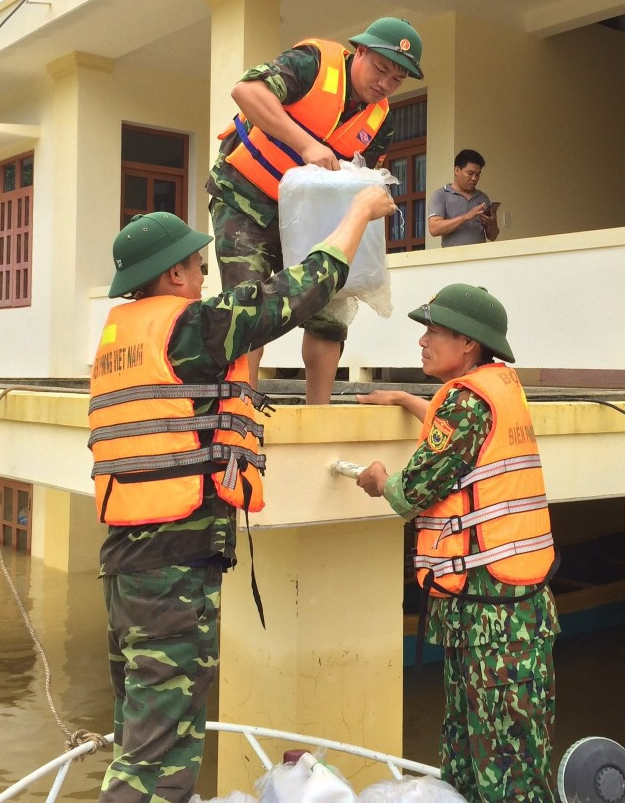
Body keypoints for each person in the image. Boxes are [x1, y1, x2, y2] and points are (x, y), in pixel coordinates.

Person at [88, 185, 396, 803]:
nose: (206, 275)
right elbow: (297, 294)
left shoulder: (121, 340)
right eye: (199, 265)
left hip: (130, 564)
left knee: (141, 731)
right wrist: (358, 213)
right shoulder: (188, 329)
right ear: (173, 273)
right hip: (170, 570)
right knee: (157, 759)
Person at [355, 284, 557, 803]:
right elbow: (466, 441)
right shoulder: (498, 389)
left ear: (467, 343)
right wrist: (405, 399)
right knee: (483, 759)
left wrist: (377, 478)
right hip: (506, 613)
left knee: (499, 772)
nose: (423, 340)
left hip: (492, 623)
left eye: (434, 331)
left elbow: (411, 490)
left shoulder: (468, 403)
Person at [206, 17, 423, 405]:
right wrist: (305, 144)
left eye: (396, 80)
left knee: (328, 307)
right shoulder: (313, 63)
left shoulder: (381, 120)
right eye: (381, 69)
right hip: (246, 199)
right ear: (361, 51)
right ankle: (242, 412)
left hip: (310, 215)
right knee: (248, 303)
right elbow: (246, 91)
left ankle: (318, 414)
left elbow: (357, 181)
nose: (385, 84)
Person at [427, 149, 499, 246]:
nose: (474, 178)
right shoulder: (441, 195)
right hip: (453, 258)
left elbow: (492, 236)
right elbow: (434, 229)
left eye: (477, 174)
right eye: (470, 173)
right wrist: (465, 217)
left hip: (479, 258)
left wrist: (492, 224)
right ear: (457, 170)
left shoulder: (482, 197)